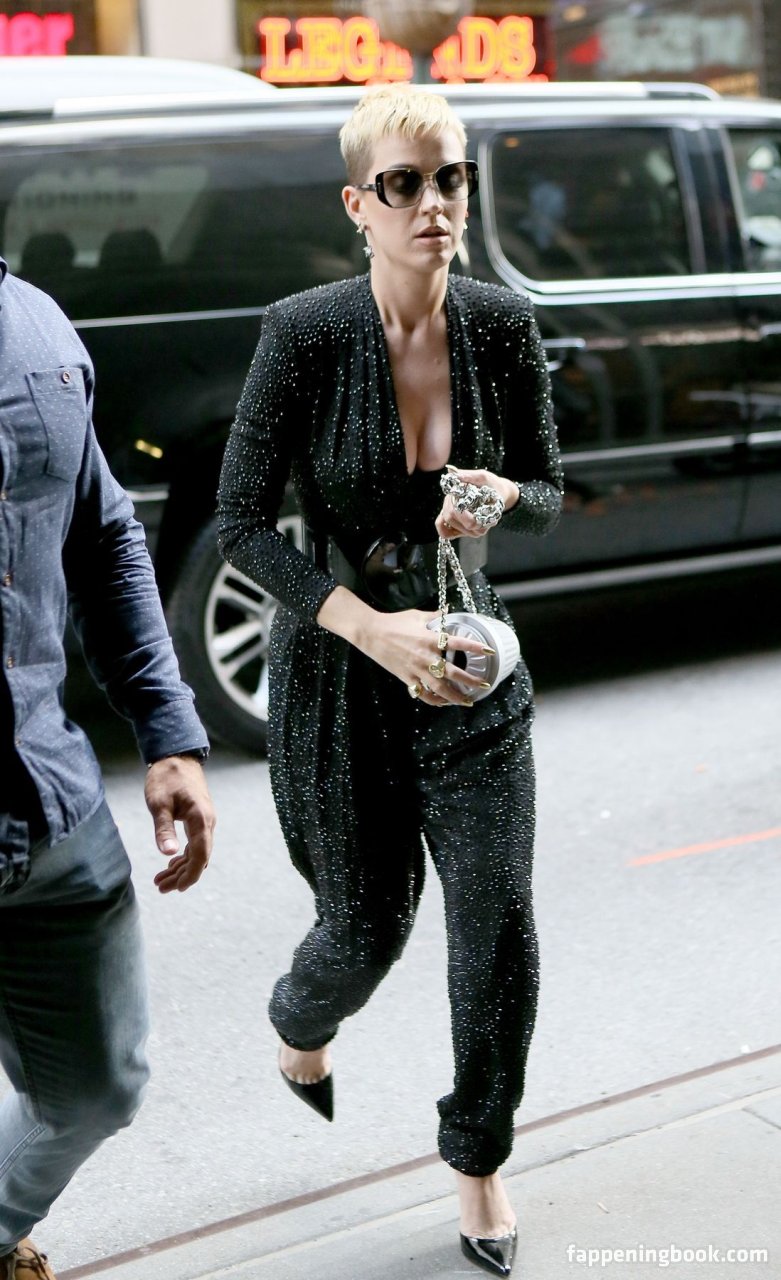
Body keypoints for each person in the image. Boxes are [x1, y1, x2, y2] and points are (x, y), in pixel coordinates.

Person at [217, 84, 562, 1278]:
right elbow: (237, 522)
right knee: (362, 931)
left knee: (497, 926)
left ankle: (478, 1158)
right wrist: (369, 630)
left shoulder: (502, 324)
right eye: (403, 184)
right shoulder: (304, 332)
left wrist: (506, 496)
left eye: (450, 178)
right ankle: (299, 1022)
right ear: (357, 203)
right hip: (343, 678)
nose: (433, 204)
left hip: (472, 665)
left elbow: (548, 485)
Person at [0, 254, 216, 1280]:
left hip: (50, 802)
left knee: (96, 1086)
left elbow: (102, 535)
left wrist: (167, 731)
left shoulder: (35, 324)